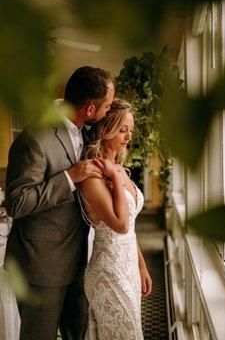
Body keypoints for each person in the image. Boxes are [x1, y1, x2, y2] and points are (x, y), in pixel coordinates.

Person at [4, 66, 115, 340]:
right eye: (107, 106)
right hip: (40, 266)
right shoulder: (34, 138)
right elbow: (16, 202)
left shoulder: (86, 130)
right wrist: (69, 177)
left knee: (76, 333)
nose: (107, 112)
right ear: (89, 109)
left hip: (77, 257)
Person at [79, 98, 152, 339]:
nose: (128, 137)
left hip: (128, 268)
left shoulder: (117, 168)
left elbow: (130, 228)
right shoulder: (93, 174)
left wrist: (140, 265)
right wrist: (116, 179)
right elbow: (120, 225)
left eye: (131, 130)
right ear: (104, 129)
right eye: (122, 130)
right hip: (108, 273)